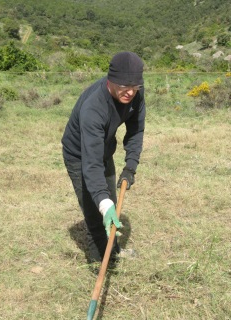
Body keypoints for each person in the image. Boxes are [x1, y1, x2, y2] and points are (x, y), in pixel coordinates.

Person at [62, 51, 145, 263]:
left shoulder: (136, 93)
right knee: (95, 210)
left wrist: (130, 167)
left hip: (104, 149)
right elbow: (91, 164)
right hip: (80, 155)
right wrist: (103, 203)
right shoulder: (94, 107)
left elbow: (135, 131)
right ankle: (99, 263)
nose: (129, 92)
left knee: (111, 202)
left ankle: (113, 252)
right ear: (111, 81)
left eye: (134, 86)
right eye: (123, 87)